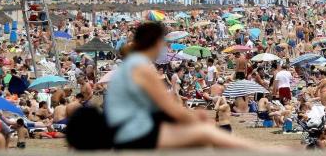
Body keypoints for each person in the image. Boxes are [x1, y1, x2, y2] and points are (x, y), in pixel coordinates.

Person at [104, 22, 264, 150]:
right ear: (157, 42)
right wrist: (194, 118)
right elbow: (169, 108)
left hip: (125, 132)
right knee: (205, 133)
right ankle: (259, 152)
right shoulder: (141, 67)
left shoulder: (132, 64)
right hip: (132, 136)